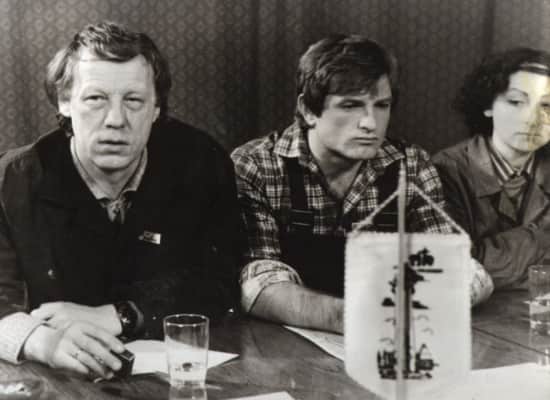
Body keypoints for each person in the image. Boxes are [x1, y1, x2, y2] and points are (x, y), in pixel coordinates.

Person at [0, 21, 242, 379]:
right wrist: (41, 342)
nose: (116, 120)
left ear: (156, 108)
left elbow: (222, 279)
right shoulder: (13, 179)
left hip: (174, 373)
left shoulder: (201, 163)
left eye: (133, 100)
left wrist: (122, 315)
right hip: (56, 378)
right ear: (65, 102)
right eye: (95, 99)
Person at [231, 34, 493, 334]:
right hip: (280, 345)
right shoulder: (256, 166)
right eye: (350, 105)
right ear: (308, 110)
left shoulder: (410, 165)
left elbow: (464, 269)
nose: (370, 123)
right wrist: (354, 317)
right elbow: (257, 282)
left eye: (382, 105)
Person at [434, 48, 550, 290]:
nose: (532, 119)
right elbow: (456, 267)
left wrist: (490, 255)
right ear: (488, 106)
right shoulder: (444, 170)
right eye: (516, 102)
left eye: (547, 105)